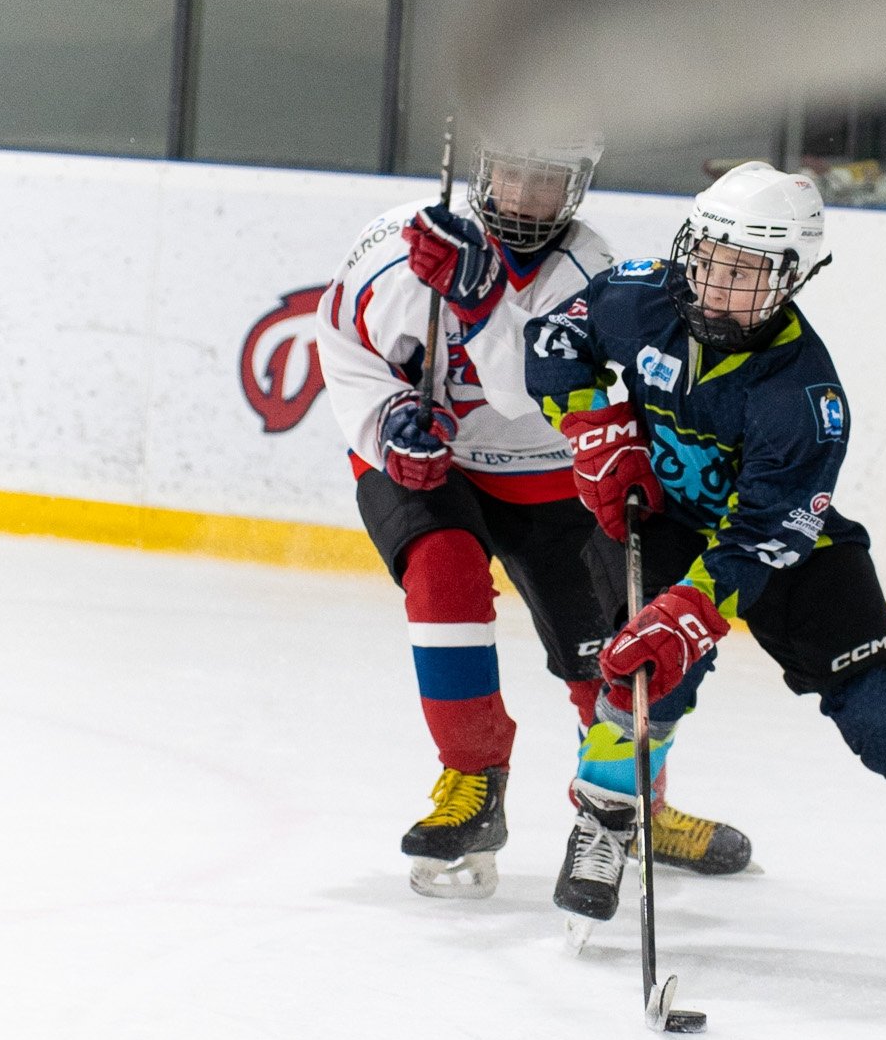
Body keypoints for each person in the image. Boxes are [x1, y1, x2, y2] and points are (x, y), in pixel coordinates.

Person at [524, 160, 886, 950]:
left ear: (792, 278)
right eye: (712, 261)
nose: (720, 288)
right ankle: (606, 821)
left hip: (788, 547)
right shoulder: (638, 295)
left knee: (879, 703)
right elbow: (553, 340)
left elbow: (766, 532)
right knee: (644, 670)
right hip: (668, 521)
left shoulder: (805, 397)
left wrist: (691, 609)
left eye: (748, 274)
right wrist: (594, 428)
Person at [313, 138, 752, 898]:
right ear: (484, 168)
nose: (523, 197)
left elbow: (528, 393)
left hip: (546, 469)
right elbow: (342, 336)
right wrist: (387, 423)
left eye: (546, 181)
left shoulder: (589, 269)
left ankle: (635, 806)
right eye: (512, 173)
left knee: (603, 654)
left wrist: (481, 301)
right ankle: (472, 782)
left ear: (576, 187)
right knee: (441, 572)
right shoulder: (396, 247)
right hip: (432, 462)